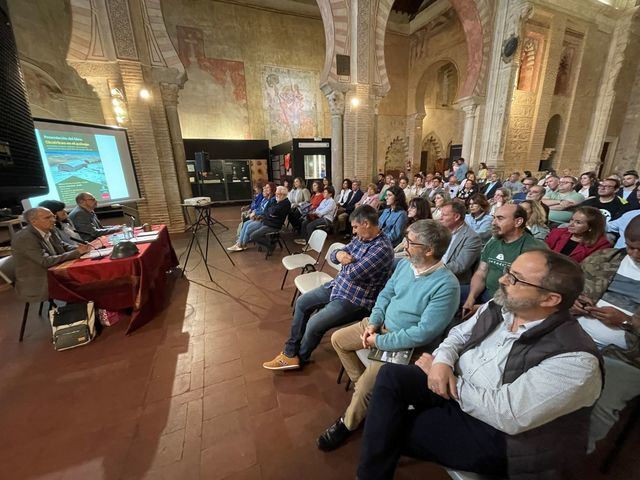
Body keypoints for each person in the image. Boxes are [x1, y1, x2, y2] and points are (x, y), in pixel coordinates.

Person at [357, 250, 603, 479]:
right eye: (508, 271)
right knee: (390, 377)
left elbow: (508, 415)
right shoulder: (501, 306)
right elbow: (458, 335)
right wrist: (442, 362)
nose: (503, 281)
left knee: (388, 428)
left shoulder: (576, 359)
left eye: (516, 279)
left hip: (498, 433)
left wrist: (446, 381)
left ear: (550, 299)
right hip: (454, 385)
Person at [317, 220, 460, 451]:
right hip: (380, 326)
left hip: (403, 342)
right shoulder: (405, 265)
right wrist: (373, 323)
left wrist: (379, 341)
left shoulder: (447, 285)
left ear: (429, 250)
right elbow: (385, 294)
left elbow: (423, 333)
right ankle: (369, 392)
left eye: (410, 242)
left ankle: (348, 423)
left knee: (365, 387)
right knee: (338, 340)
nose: (404, 245)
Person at [262, 205, 394, 370]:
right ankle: (289, 353)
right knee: (302, 302)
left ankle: (300, 357)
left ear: (366, 223)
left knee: (315, 323)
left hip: (357, 299)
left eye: (355, 227)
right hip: (338, 285)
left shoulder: (381, 249)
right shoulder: (362, 238)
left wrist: (345, 260)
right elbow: (335, 254)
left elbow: (353, 273)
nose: (353, 232)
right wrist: (340, 255)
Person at [571, 216, 640, 453]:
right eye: (631, 247)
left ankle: (571, 454)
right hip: (574, 334)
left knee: (601, 403)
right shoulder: (605, 259)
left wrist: (626, 321)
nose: (635, 255)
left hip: (627, 356)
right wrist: (575, 302)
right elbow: (568, 287)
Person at [462, 204, 546, 312]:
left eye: (500, 218)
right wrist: (471, 298)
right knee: (447, 291)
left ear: (518, 222)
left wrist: (483, 308)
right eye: (494, 218)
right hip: (484, 292)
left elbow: (528, 292)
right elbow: (481, 272)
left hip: (508, 303)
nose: (493, 223)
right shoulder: (494, 242)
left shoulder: (534, 249)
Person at [11, 208, 91, 303]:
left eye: (53, 216)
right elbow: (45, 261)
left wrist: (79, 248)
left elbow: (62, 246)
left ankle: (95, 312)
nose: (53, 220)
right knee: (86, 283)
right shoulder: (25, 238)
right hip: (39, 282)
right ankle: (83, 313)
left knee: (89, 278)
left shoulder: (50, 229)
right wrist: (77, 252)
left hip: (55, 272)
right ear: (34, 221)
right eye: (47, 217)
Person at [545, 206, 610, 263]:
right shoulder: (557, 233)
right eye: (571, 220)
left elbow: (590, 268)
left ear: (591, 227)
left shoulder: (600, 244)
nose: (571, 224)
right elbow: (543, 253)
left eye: (578, 222)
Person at [439, 201, 482, 285]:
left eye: (444, 215)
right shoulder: (440, 230)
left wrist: (432, 270)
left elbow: (459, 266)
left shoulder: (472, 238)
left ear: (457, 217)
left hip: (452, 281)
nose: (440, 218)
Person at [228, 182, 276, 251]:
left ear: (272, 189)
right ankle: (240, 243)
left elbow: (266, 212)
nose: (264, 191)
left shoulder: (272, 200)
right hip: (258, 217)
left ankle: (242, 244)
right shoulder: (265, 199)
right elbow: (259, 208)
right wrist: (254, 212)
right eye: (264, 189)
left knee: (248, 228)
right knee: (245, 224)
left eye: (267, 188)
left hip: (263, 220)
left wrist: (255, 213)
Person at [248, 186, 291, 254]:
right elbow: (267, 210)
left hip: (273, 226)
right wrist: (270, 213)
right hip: (268, 222)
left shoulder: (285, 203)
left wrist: (270, 212)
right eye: (276, 193)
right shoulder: (278, 200)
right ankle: (268, 244)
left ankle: (271, 245)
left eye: (278, 194)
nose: (276, 195)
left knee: (253, 236)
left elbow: (272, 211)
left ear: (283, 194)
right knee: (251, 230)